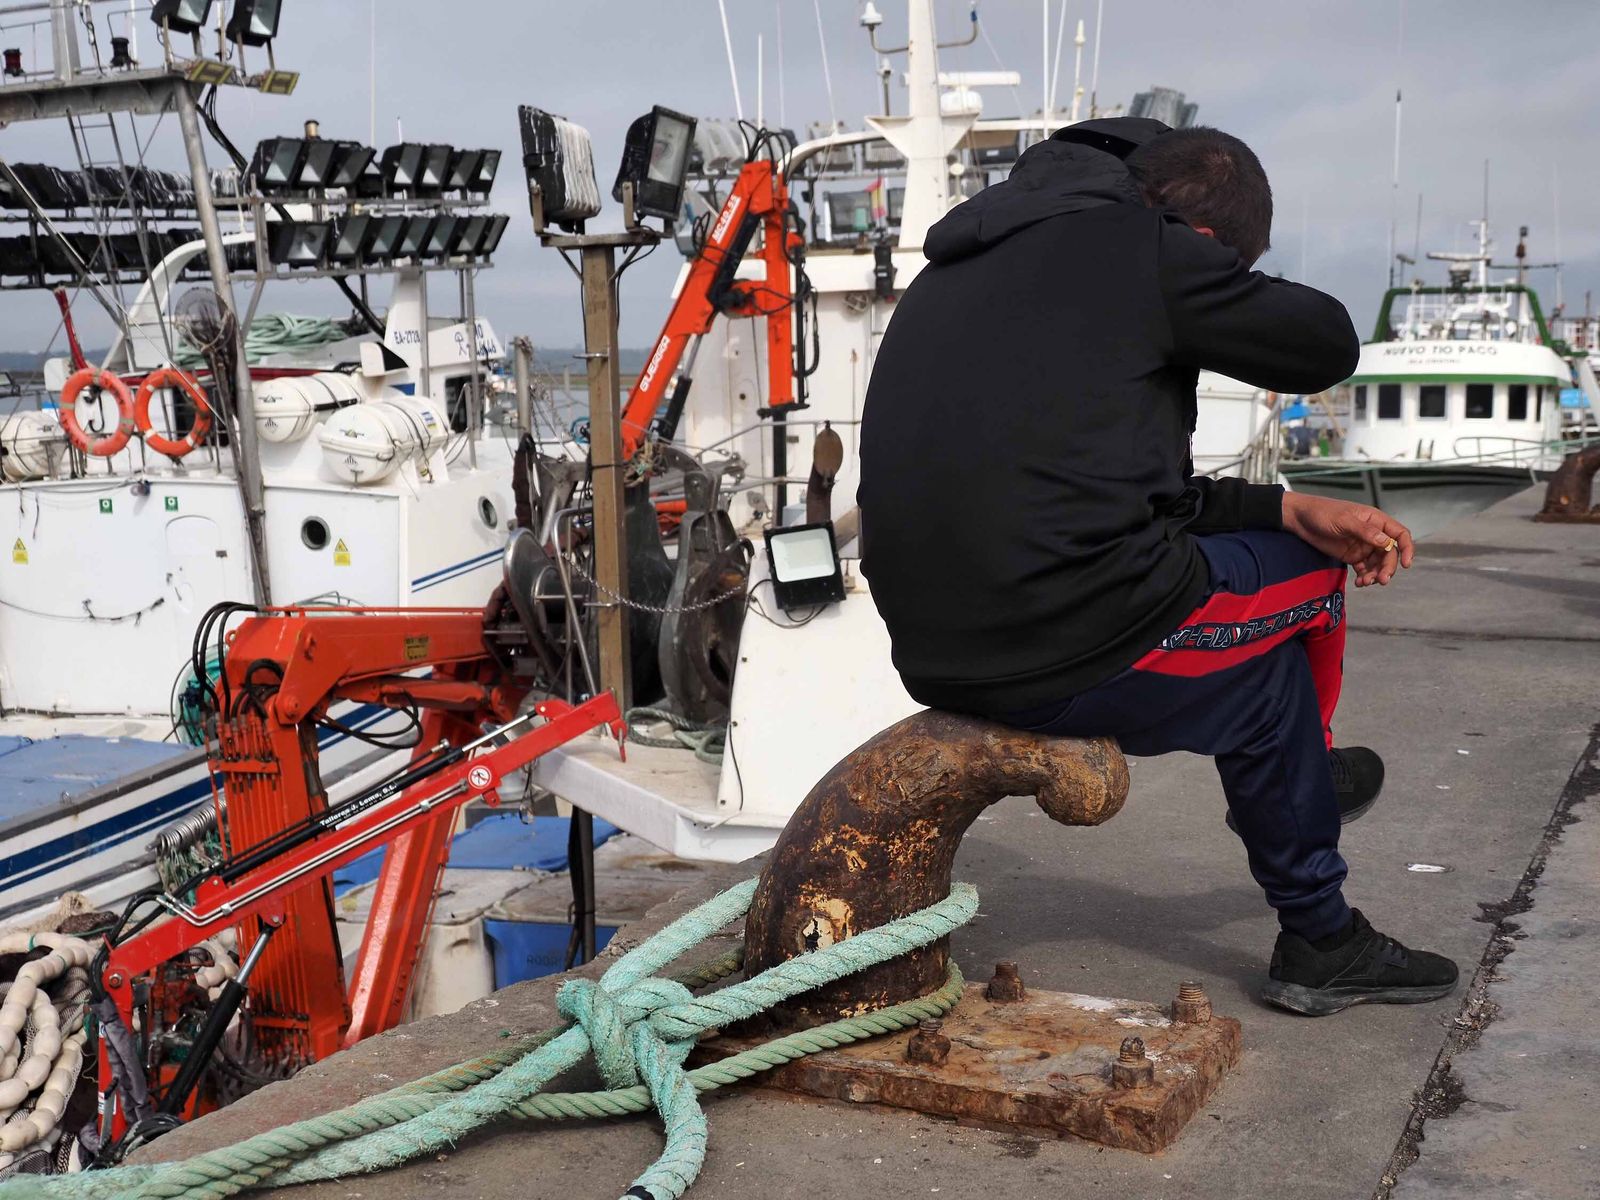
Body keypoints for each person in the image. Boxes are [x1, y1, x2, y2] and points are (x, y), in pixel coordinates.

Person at [857, 117, 1458, 1016]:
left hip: (938, 644)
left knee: (1278, 622)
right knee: (1309, 587)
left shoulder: (962, 262)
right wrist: (1210, 276)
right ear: (1207, 240)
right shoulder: (1139, 249)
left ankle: (1308, 803)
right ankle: (1320, 908)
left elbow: (1121, 491)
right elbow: (1327, 342)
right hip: (1054, 644)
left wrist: (1288, 502)